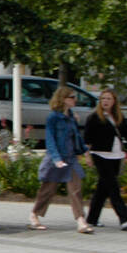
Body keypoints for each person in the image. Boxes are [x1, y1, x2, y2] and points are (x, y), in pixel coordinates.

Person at [29, 86, 92, 233]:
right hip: (56, 159)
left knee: (75, 189)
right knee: (48, 190)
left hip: (71, 159)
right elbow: (50, 140)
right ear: (63, 99)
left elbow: (76, 137)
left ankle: (81, 221)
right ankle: (34, 215)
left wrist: (86, 152)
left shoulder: (71, 117)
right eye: (72, 97)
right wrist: (56, 159)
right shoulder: (53, 118)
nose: (75, 100)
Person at [84, 88, 127, 231]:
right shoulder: (94, 117)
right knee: (113, 187)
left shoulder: (118, 116)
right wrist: (87, 156)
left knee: (103, 188)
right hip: (100, 155)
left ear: (114, 101)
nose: (105, 101)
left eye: (108, 99)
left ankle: (92, 219)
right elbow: (87, 140)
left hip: (116, 155)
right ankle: (124, 217)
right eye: (103, 98)